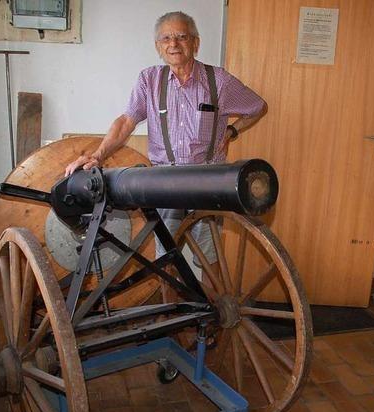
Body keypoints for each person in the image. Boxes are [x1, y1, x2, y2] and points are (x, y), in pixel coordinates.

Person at [65, 11, 267, 270]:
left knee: (209, 259)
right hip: (164, 183)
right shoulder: (149, 80)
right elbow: (127, 121)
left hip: (208, 180)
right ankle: (169, 311)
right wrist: (98, 155)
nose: (174, 44)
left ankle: (217, 309)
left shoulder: (219, 81)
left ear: (196, 42)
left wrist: (232, 132)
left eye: (182, 37)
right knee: (165, 258)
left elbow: (257, 107)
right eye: (166, 38)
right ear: (158, 47)